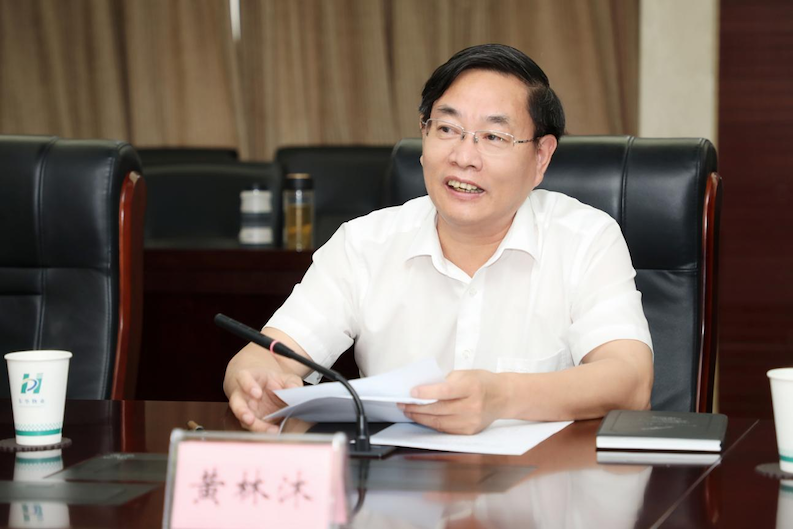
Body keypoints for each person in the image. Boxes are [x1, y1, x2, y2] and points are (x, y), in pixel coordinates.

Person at [224, 43, 653, 435]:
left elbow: (630, 381)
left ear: (540, 156)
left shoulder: (585, 239)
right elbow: (266, 353)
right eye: (447, 129)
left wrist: (502, 396)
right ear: (424, 135)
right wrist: (252, 381)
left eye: (494, 137)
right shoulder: (364, 243)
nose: (464, 157)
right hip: (394, 483)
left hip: (544, 484)